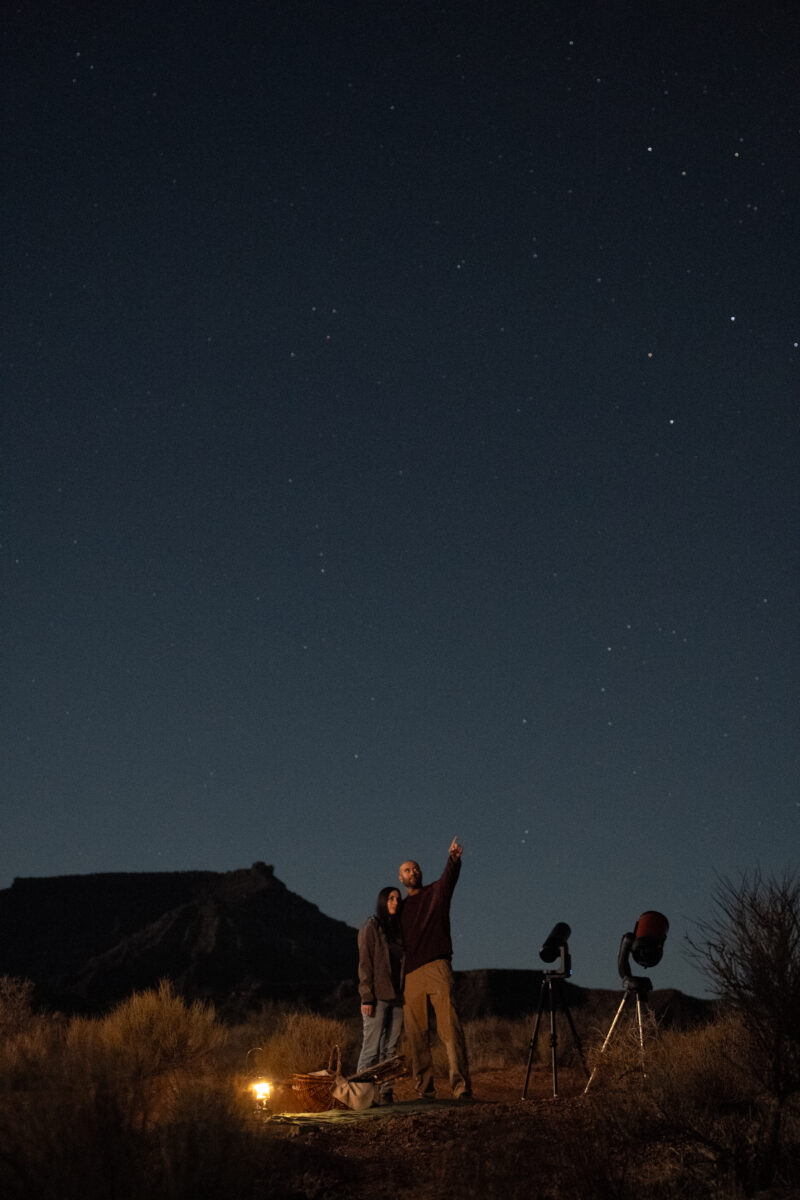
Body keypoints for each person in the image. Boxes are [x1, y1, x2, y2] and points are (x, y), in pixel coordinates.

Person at [398, 837, 472, 1100]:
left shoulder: (435, 894)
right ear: (400, 878)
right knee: (417, 1035)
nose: (413, 872)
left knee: (449, 1028)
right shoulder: (400, 909)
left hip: (438, 967)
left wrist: (452, 859)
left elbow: (449, 879)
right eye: (407, 870)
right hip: (411, 976)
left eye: (415, 868)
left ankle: (460, 1086)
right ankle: (424, 1090)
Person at [356, 886, 405, 1103]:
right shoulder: (371, 926)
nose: (395, 902)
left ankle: (386, 1093)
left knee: (390, 1050)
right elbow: (365, 964)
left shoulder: (399, 929)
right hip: (377, 997)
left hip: (398, 997)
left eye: (397, 898)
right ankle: (361, 1095)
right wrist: (367, 996)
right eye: (391, 898)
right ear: (382, 901)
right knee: (371, 1049)